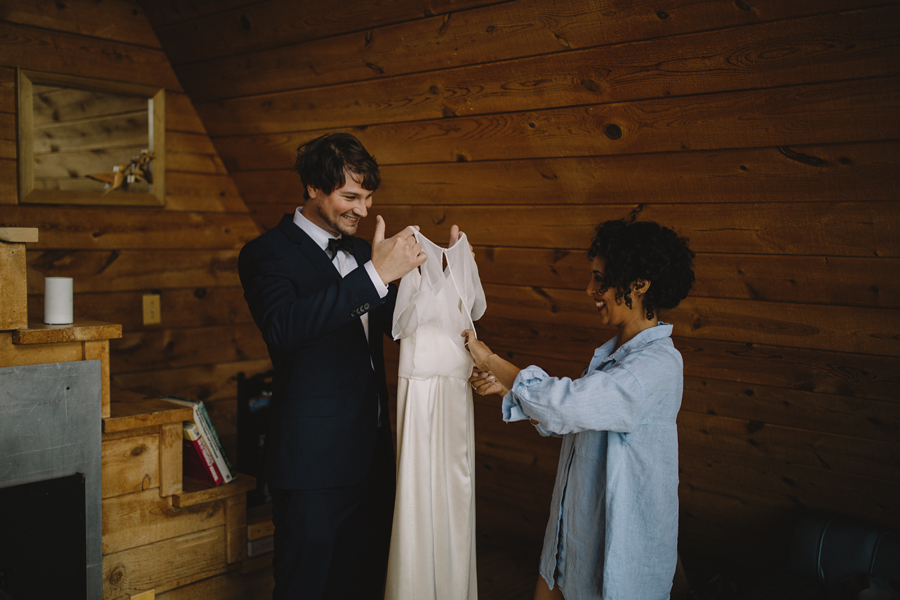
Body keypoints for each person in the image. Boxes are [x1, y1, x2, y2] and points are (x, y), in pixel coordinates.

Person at [238, 133, 459, 599]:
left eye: (368, 197)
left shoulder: (362, 252)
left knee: (360, 586)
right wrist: (377, 275)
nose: (363, 209)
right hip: (311, 466)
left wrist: (447, 272)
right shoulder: (266, 253)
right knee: (306, 588)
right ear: (313, 189)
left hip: (373, 460)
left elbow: (404, 323)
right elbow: (284, 327)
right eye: (350, 196)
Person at [463, 219, 695, 600]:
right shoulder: (613, 355)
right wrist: (512, 388)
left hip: (619, 547)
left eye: (601, 279)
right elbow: (570, 421)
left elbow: (567, 406)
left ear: (639, 284)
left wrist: (490, 359)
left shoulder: (657, 364)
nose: (590, 290)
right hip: (574, 532)